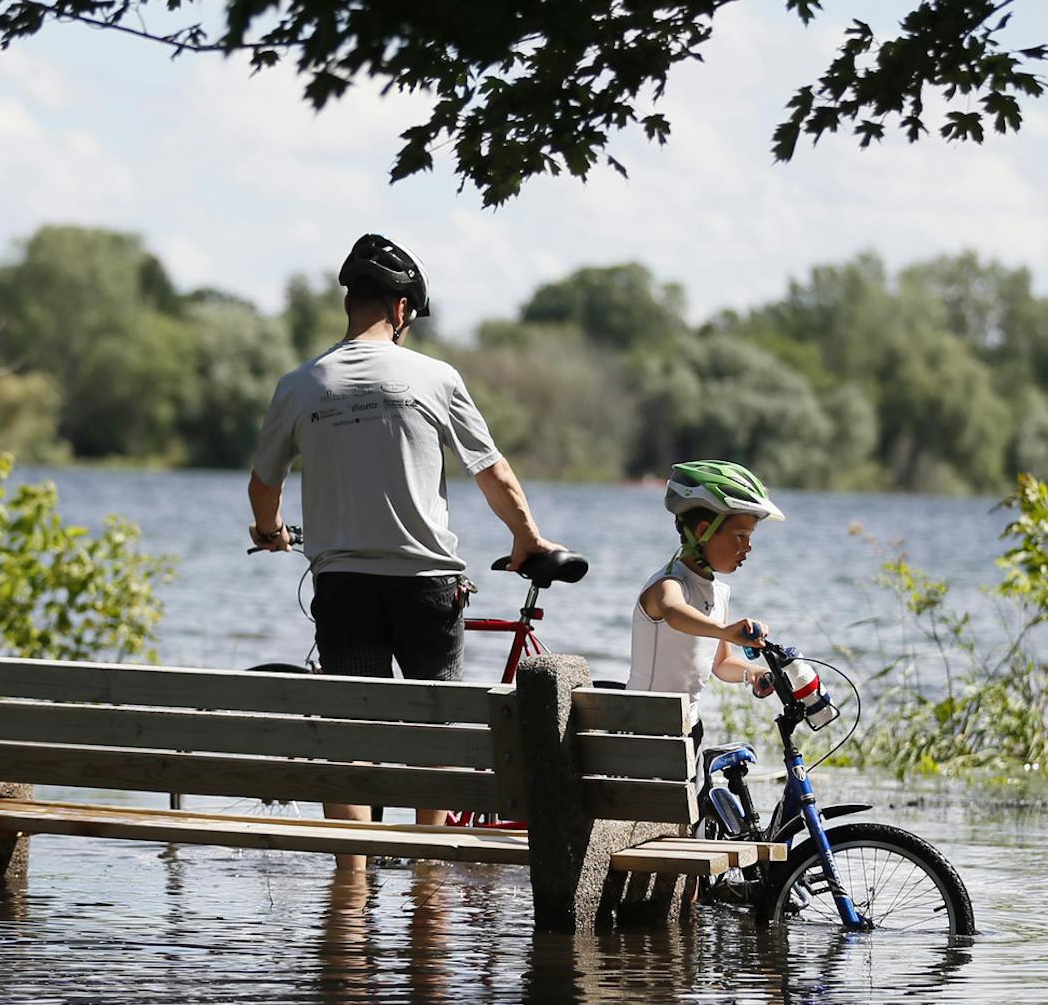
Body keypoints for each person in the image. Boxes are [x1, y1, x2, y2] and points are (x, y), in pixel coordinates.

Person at [248, 233, 564, 866]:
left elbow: (264, 484)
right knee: (436, 735)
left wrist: (271, 531)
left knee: (351, 737)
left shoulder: (300, 384)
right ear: (400, 309)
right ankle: (428, 888)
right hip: (426, 585)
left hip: (343, 586)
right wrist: (528, 541)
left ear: (352, 302)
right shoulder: (436, 377)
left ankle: (352, 886)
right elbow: (493, 473)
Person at [627, 460, 783, 764]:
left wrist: (754, 673)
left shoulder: (720, 593)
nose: (748, 547)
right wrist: (725, 630)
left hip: (687, 727)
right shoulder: (668, 585)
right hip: (644, 727)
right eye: (740, 535)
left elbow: (722, 663)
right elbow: (675, 612)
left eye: (750, 537)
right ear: (703, 531)